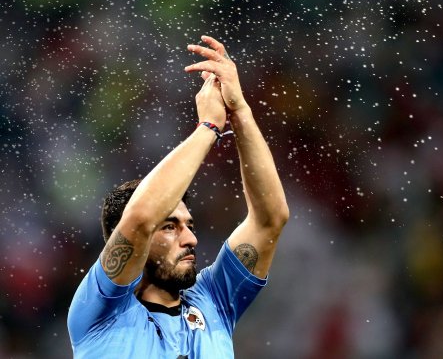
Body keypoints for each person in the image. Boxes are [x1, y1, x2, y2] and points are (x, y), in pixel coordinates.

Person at [67, 36, 289, 358]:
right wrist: (209, 127)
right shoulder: (100, 309)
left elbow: (270, 219)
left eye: (188, 224)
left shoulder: (214, 300)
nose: (191, 239)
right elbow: (141, 219)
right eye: (170, 226)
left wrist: (239, 111)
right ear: (130, 245)